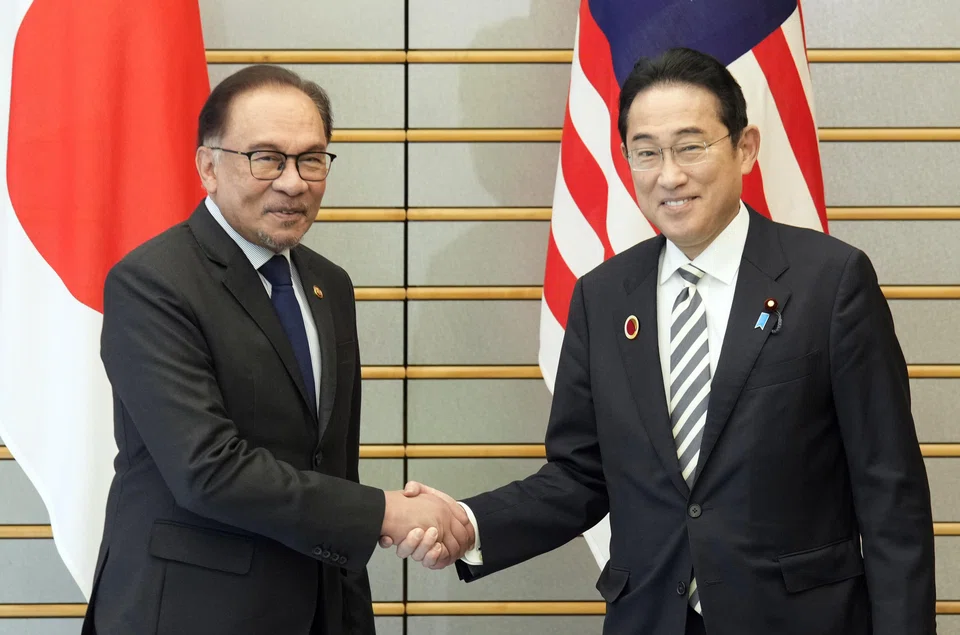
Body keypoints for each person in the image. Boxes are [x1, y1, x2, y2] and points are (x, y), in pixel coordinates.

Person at [385, 48, 937, 635]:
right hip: (650, 617)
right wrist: (471, 523)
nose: (668, 175)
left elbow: (888, 490)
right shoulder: (603, 297)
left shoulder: (830, 281)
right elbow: (580, 475)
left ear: (745, 147)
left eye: (690, 146)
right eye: (646, 152)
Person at [81, 65, 471, 635]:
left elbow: (331, 466)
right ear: (207, 166)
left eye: (312, 159)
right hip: (191, 614)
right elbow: (208, 469)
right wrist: (387, 512)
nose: (293, 182)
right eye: (266, 158)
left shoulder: (328, 285)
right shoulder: (153, 282)